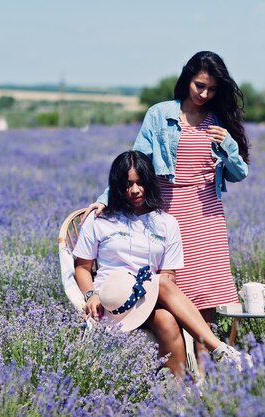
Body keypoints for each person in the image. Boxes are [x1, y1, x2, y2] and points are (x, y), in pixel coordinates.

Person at [85, 51, 250, 370]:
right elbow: (138, 161)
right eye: (199, 85)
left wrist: (229, 146)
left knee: (204, 296)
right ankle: (176, 367)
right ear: (187, 79)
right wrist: (107, 198)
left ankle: (205, 372)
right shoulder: (160, 115)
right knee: (170, 287)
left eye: (212, 89)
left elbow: (238, 173)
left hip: (208, 215)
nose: (204, 94)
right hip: (170, 211)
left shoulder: (219, 121)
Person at [74, 150, 249, 378]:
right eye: (127, 184)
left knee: (167, 319)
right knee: (162, 285)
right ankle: (219, 349)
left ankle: (175, 397)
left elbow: (168, 274)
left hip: (146, 302)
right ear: (117, 186)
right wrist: (90, 295)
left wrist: (153, 287)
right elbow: (82, 267)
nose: (134, 190)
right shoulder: (101, 220)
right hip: (111, 303)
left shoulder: (166, 223)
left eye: (140, 183)